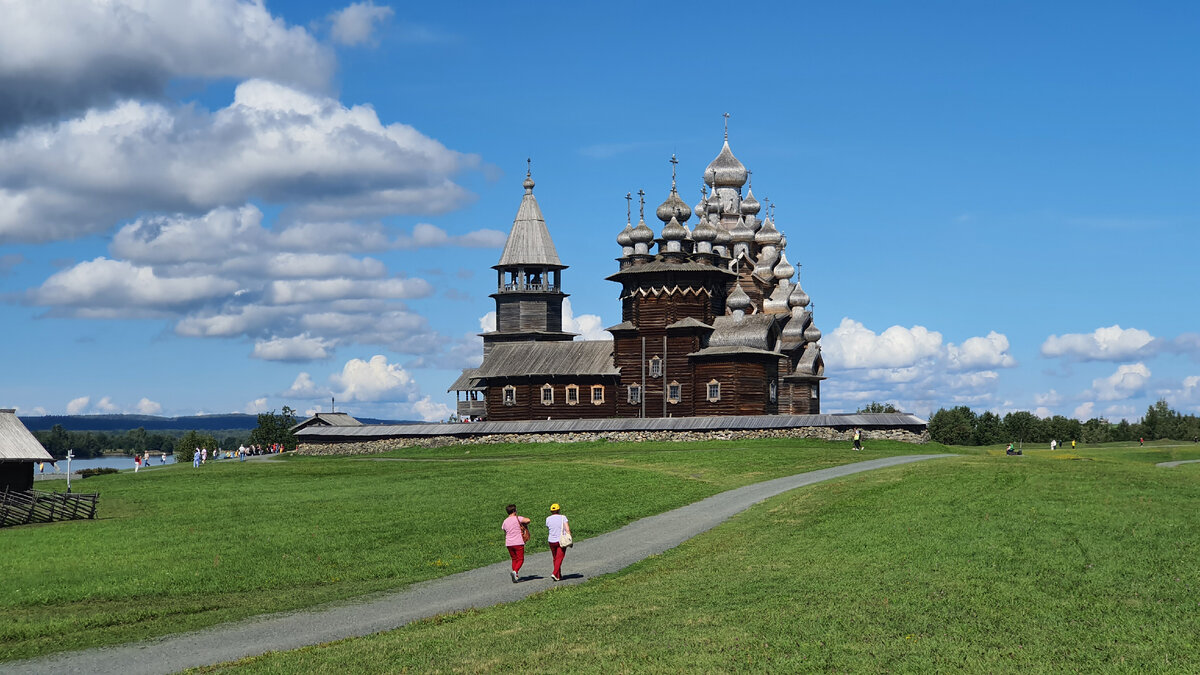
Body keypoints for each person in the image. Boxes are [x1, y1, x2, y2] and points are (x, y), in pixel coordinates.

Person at [501, 504, 532, 583]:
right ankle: (515, 571)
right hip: (518, 542)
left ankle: (516, 575)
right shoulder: (518, 518)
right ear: (514, 511)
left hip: (509, 543)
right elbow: (528, 520)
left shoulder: (505, 521)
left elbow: (504, 530)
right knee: (520, 559)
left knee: (514, 559)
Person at [546, 503, 571, 581]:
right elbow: (567, 529)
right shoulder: (563, 517)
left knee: (555, 558)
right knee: (560, 557)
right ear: (559, 510)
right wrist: (570, 539)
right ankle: (554, 573)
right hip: (561, 540)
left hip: (551, 541)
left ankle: (558, 575)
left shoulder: (548, 519)